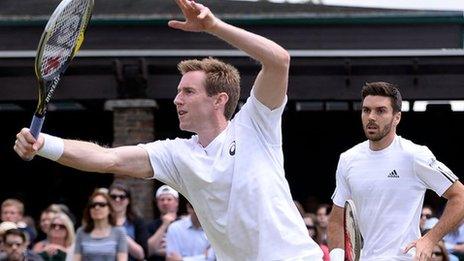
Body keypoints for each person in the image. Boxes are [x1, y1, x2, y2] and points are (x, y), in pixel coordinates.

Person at [13, 0, 322, 259]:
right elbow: (107, 159)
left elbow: (279, 60)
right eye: (178, 91)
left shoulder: (256, 124)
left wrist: (213, 25)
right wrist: (43, 144)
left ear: (219, 100)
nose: (176, 99)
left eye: (188, 92)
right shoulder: (176, 155)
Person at [327, 82, 464, 261]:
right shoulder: (348, 159)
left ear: (397, 117)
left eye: (381, 111)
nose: (371, 117)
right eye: (366, 110)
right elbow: (337, 220)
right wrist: (336, 259)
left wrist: (431, 239)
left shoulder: (415, 155)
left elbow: (460, 196)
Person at [73, 191, 128, 261]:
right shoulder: (81, 232)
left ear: (109, 209)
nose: (97, 207)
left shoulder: (119, 232)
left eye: (102, 204)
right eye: (93, 205)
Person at [109, 182, 148, 261]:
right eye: (113, 197)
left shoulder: (137, 222)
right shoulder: (101, 219)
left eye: (122, 197)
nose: (117, 199)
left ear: (128, 200)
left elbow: (142, 255)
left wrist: (120, 232)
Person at [147, 185, 179, 261]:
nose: (165, 202)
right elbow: (149, 250)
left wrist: (158, 251)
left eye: (169, 199)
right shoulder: (150, 225)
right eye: (162, 199)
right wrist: (165, 224)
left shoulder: (184, 223)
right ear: (157, 203)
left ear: (176, 202)